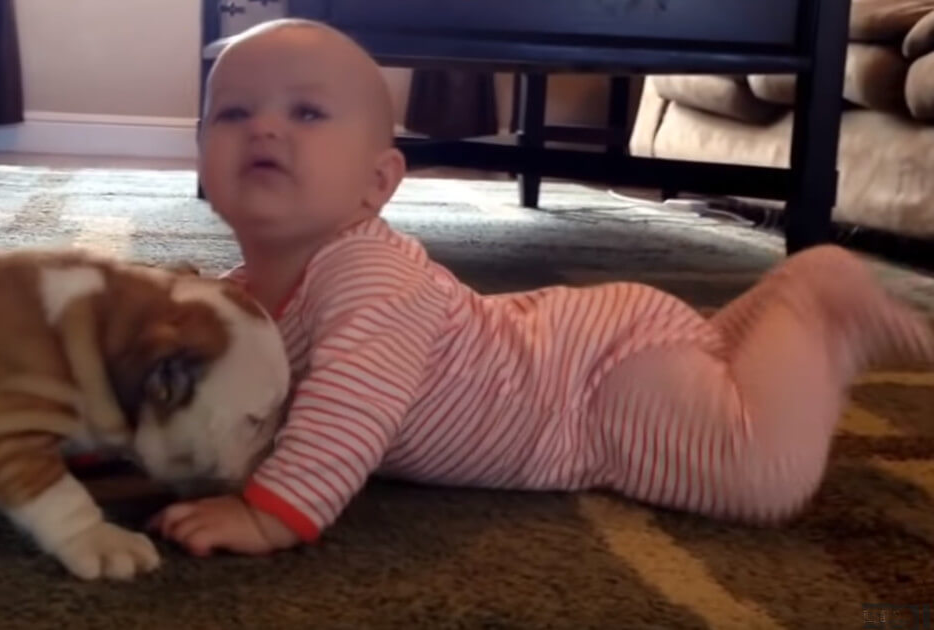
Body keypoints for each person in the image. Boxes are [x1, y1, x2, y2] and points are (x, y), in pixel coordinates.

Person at [148, 18, 934, 556]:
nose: (266, 128)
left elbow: (350, 406)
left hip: (590, 394)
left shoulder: (367, 276)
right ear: (201, 157)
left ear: (376, 183)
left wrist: (272, 512)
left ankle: (815, 299)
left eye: (308, 112)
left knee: (760, 471)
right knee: (714, 372)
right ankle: (746, 332)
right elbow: (200, 383)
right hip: (584, 339)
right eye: (234, 113)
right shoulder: (241, 295)